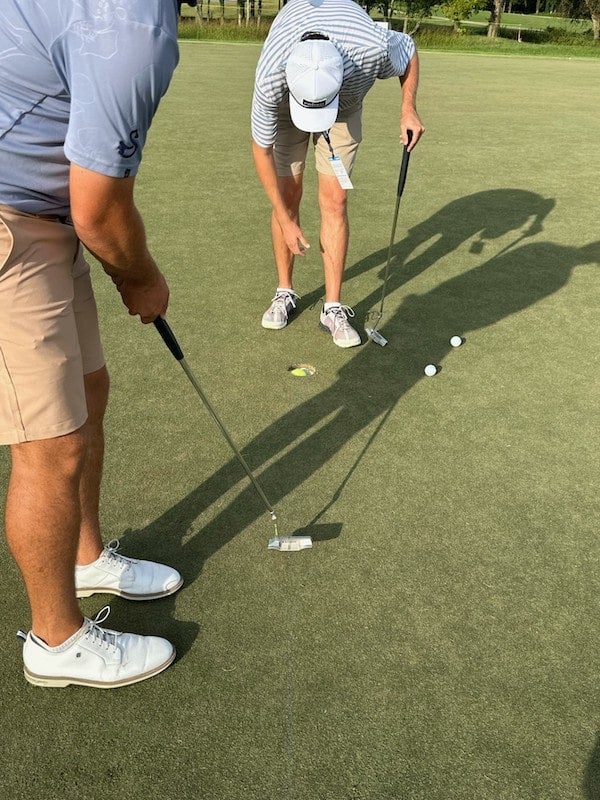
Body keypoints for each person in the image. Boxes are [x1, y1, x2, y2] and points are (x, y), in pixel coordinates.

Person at [0, 1, 183, 688]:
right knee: (51, 443)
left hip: (43, 216)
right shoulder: (131, 25)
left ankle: (86, 558)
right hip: (9, 221)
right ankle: (55, 641)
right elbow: (100, 210)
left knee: (87, 394)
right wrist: (142, 279)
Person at [251, 0, 425, 348]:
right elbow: (261, 149)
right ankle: (284, 290)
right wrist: (286, 221)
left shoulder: (369, 49)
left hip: (345, 108)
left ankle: (332, 307)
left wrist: (409, 109)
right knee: (287, 197)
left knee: (336, 199)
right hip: (289, 107)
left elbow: (409, 51)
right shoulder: (272, 73)